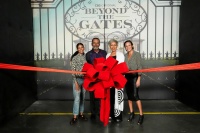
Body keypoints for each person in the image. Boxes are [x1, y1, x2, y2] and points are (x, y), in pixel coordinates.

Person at [86, 38, 107, 120]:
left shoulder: (104, 53)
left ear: (99, 44)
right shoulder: (88, 54)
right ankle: (93, 113)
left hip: (101, 78)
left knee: (101, 96)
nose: (95, 44)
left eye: (97, 43)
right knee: (92, 96)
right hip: (92, 78)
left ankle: (99, 112)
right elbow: (87, 67)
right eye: (94, 43)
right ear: (92, 44)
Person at [123, 40, 144, 125]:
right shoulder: (124, 55)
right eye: (126, 46)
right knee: (129, 96)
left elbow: (140, 67)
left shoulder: (137, 54)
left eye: (129, 45)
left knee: (135, 96)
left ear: (132, 45)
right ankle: (132, 113)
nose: (127, 47)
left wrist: (139, 78)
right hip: (127, 77)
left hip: (135, 77)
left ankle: (141, 115)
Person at [106, 39, 125, 122]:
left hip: (118, 78)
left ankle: (118, 116)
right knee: (110, 97)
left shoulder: (121, 55)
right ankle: (110, 115)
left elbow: (121, 67)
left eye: (114, 45)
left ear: (117, 46)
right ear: (109, 46)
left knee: (118, 97)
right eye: (111, 45)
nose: (113, 46)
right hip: (110, 79)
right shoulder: (107, 55)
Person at [70, 43, 88, 125]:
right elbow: (73, 71)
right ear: (77, 49)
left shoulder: (85, 57)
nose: (81, 49)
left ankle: (81, 114)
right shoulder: (75, 58)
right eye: (79, 48)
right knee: (77, 99)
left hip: (84, 80)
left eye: (82, 47)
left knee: (82, 98)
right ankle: (74, 117)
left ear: (84, 48)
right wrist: (75, 82)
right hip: (77, 79)